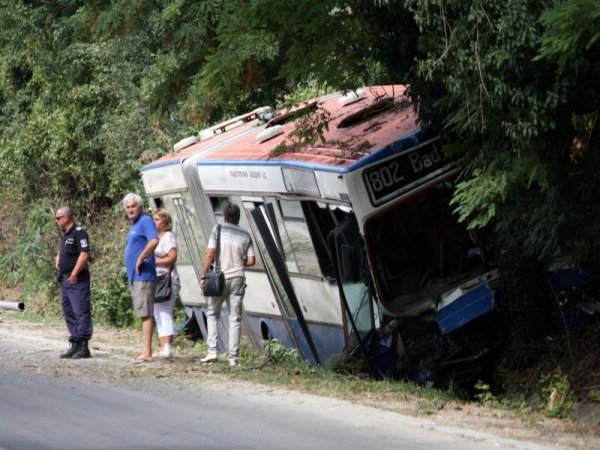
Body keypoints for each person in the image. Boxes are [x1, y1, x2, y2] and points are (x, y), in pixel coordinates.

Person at [200, 203, 255, 366]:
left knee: (212, 313)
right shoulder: (246, 235)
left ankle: (212, 352)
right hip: (238, 278)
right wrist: (239, 260)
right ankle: (233, 359)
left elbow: (210, 254)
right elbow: (251, 261)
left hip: (219, 278)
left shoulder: (217, 230)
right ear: (238, 218)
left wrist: (203, 275)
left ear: (224, 216)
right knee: (235, 318)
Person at [123, 193, 159, 364]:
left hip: (143, 275)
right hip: (135, 276)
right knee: (142, 312)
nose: (130, 209)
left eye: (133, 206)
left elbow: (154, 241)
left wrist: (141, 257)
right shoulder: (134, 225)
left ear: (140, 207)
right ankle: (146, 350)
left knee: (145, 313)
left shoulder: (145, 221)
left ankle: (147, 352)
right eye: (128, 207)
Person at [54, 206, 92, 359]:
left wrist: (75, 273)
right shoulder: (66, 235)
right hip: (65, 280)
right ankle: (75, 342)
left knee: (80, 311)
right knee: (69, 312)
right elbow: (64, 252)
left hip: (77, 279)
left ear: (66, 218)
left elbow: (84, 254)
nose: (56, 221)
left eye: (58, 218)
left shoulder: (79, 232)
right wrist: (58, 258)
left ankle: (84, 345)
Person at [152, 209, 180, 359]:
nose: (154, 222)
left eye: (157, 219)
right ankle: (163, 348)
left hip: (167, 280)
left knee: (165, 312)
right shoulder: (156, 237)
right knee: (157, 313)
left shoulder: (168, 237)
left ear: (165, 222)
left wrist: (155, 262)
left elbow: (172, 257)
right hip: (156, 280)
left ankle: (167, 348)